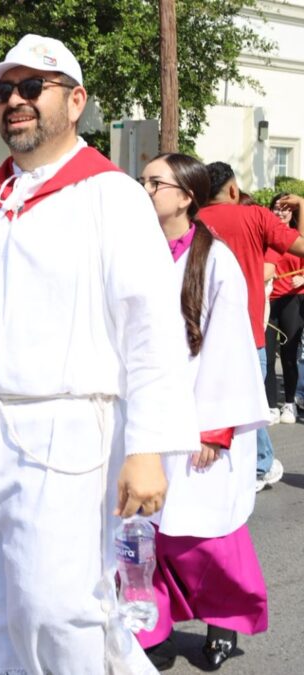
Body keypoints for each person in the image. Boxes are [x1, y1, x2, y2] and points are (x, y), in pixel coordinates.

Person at [0, 34, 200, 674]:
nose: (14, 102)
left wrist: (148, 449)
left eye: (32, 88)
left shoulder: (111, 196)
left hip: (65, 436)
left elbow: (151, 329)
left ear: (75, 101)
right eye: (3, 91)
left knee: (60, 610)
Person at [135, 153, 269, 671]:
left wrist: (215, 429)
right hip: (144, 420)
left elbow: (232, 346)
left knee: (205, 538)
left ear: (186, 196)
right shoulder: (137, 251)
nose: (144, 190)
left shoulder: (215, 260)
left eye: (154, 182)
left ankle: (225, 623)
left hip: (198, 421)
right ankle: (149, 625)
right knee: (144, 535)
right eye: (142, 181)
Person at [200, 161, 304, 491]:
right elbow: (299, 245)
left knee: (209, 399)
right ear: (233, 189)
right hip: (246, 328)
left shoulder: (191, 219)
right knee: (250, 399)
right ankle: (259, 464)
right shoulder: (256, 215)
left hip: (199, 328)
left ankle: (235, 463)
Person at [262, 192, 304, 424]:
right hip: (269, 298)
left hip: (293, 298)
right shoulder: (266, 234)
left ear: (294, 212)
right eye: (277, 208)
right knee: (267, 355)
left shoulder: (297, 235)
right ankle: (270, 406)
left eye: (286, 208)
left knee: (289, 355)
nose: (280, 212)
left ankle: (289, 403)